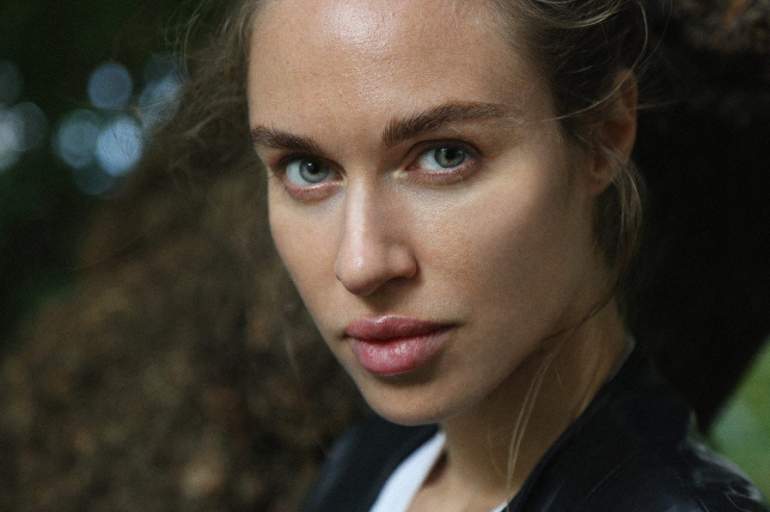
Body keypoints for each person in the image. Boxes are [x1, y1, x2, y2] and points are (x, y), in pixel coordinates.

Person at [147, 0, 769, 510]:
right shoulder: (371, 463)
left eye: (445, 155)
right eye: (307, 168)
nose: (360, 264)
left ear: (604, 136)